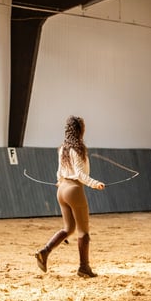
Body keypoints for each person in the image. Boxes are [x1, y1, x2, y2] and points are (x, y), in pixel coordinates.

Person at [35, 116, 105, 278]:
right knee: (83, 232)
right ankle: (84, 267)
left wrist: (59, 181)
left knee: (69, 229)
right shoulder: (77, 149)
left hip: (62, 190)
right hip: (74, 189)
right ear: (80, 130)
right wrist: (95, 184)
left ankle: (44, 252)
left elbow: (59, 172)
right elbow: (80, 174)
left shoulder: (63, 149)